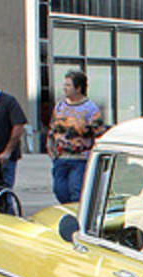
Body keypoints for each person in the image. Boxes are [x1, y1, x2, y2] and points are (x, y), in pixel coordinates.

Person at [46, 69, 105, 205]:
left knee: (76, 190)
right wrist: (51, 149)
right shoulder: (60, 106)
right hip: (60, 157)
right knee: (60, 190)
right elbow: (52, 128)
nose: (64, 88)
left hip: (80, 159)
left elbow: (99, 134)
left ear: (78, 88)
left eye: (68, 85)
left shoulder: (90, 109)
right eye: (64, 85)